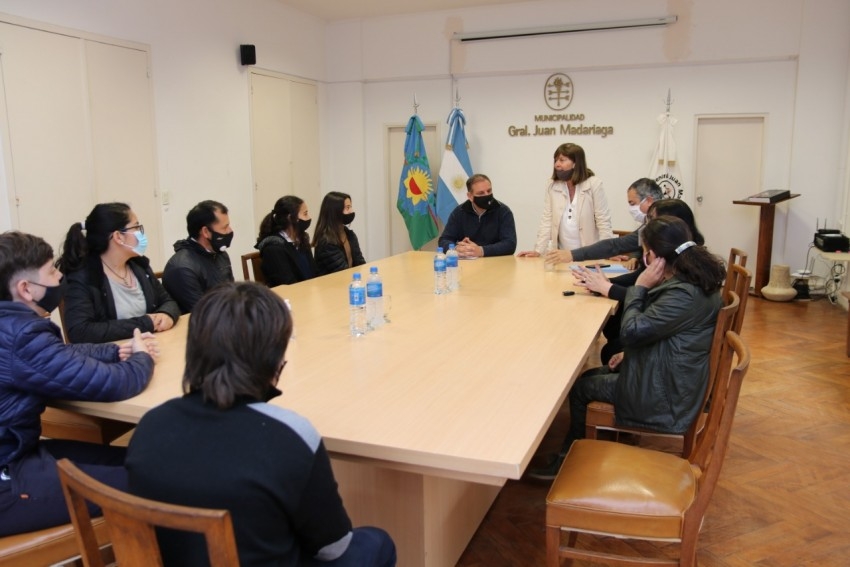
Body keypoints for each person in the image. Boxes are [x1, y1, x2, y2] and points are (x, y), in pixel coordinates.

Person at [125, 282, 396, 567]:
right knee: (376, 542)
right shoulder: (290, 437)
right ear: (273, 359)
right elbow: (333, 548)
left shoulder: (149, 426)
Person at [528, 216, 725, 480]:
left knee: (580, 389)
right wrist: (628, 353)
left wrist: (640, 287)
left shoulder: (682, 294)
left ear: (653, 256)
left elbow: (631, 331)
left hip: (666, 397)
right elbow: (659, 330)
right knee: (589, 377)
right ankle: (601, 442)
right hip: (671, 377)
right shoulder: (692, 279)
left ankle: (566, 466)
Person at [0, 231, 157, 536]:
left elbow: (58, 355)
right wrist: (142, 358)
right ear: (26, 289)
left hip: (18, 454)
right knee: (154, 480)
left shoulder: (11, 328)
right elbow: (115, 384)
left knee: (141, 461)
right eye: (52, 271)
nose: (60, 276)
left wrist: (114, 350)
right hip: (9, 479)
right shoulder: (21, 336)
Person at [573, 198, 705, 364]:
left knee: (611, 346)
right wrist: (605, 284)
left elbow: (648, 304)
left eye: (653, 220)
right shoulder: (683, 259)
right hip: (664, 350)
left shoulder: (682, 277)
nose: (647, 225)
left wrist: (609, 287)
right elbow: (642, 281)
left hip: (663, 361)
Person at [58, 203, 180, 343]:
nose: (141, 233)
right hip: (111, 357)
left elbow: (168, 301)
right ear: (118, 236)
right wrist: (145, 324)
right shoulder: (84, 277)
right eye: (136, 227)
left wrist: (166, 314)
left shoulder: (139, 265)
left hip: (153, 346)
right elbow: (80, 331)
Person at [525, 177, 663, 264]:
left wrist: (572, 254)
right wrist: (634, 256)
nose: (631, 209)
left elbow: (617, 244)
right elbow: (638, 241)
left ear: (649, 200)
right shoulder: (654, 220)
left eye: (633, 203)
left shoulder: (664, 223)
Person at [517, 143, 613, 257]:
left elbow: (603, 221)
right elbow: (547, 220)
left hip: (589, 254)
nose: (557, 164)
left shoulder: (594, 184)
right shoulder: (552, 185)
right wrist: (538, 250)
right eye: (556, 160)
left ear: (575, 164)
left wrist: (609, 251)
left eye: (562, 160)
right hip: (561, 255)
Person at [162, 200, 235, 314]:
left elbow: (232, 294)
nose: (230, 231)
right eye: (225, 227)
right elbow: (202, 313)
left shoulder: (220, 254)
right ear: (205, 231)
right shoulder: (182, 268)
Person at [437, 173, 517, 257]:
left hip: (496, 263)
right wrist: (457, 248)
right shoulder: (459, 212)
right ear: (470, 196)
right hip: (468, 265)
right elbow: (444, 240)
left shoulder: (503, 211)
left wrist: (481, 250)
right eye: (481, 193)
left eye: (489, 191)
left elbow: (510, 244)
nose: (487, 195)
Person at [256, 195, 318, 286]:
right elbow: (287, 283)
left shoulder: (301, 239)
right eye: (305, 214)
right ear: (290, 218)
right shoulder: (273, 249)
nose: (308, 218)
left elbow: (314, 273)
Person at [312, 191, 366, 276]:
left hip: (349, 283)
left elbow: (360, 264)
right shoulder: (326, 241)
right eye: (347, 208)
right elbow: (342, 272)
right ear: (335, 211)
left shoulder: (350, 235)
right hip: (331, 286)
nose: (352, 211)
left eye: (351, 207)